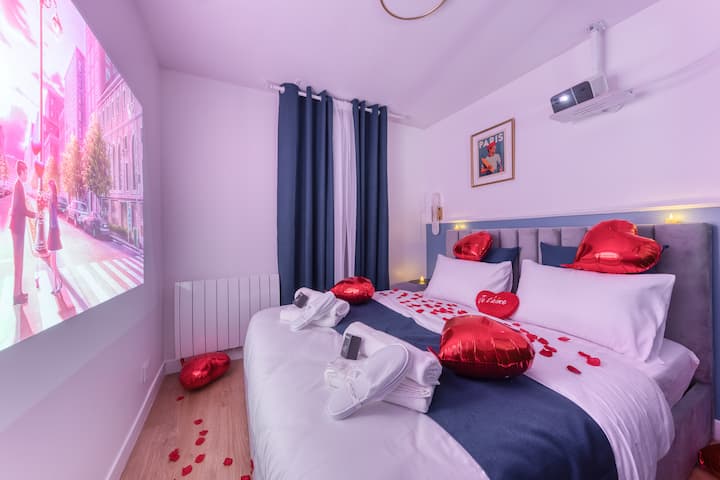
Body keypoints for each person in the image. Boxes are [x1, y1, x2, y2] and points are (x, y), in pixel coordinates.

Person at [9, 161, 36, 305]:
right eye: (25, 172)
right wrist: (34, 214)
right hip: (17, 229)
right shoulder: (18, 186)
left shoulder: (19, 186)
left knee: (20, 262)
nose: (27, 175)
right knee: (18, 263)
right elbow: (20, 209)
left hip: (18, 228)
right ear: (20, 172)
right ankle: (16, 295)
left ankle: (19, 292)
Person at [47, 180, 63, 294]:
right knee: (53, 262)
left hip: (53, 231)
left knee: (53, 263)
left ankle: (58, 283)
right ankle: (56, 285)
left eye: (49, 187)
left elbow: (53, 218)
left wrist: (56, 230)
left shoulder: (52, 198)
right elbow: (54, 217)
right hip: (53, 230)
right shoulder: (53, 198)